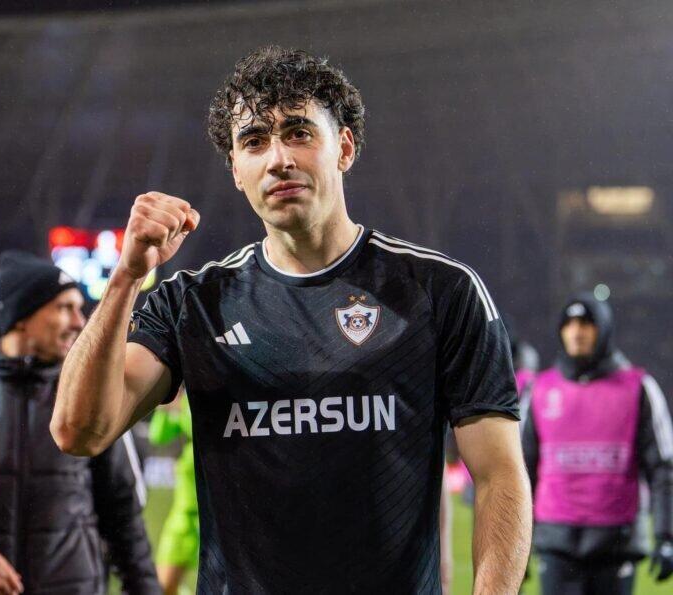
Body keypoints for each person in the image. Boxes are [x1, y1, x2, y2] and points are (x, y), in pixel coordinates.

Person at [51, 46, 532, 593]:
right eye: (254, 141)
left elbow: (499, 476)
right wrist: (126, 277)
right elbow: (79, 430)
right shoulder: (193, 303)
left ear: (344, 147)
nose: (278, 158)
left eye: (299, 133)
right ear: (237, 170)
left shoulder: (440, 291)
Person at [0, 251, 160, 595]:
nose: (79, 321)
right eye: (64, 308)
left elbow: (124, 515)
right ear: (21, 316)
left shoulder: (89, 399)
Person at [521, 293, 673, 595]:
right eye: (569, 324)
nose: (576, 332)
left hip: (615, 543)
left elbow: (663, 470)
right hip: (555, 544)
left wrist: (666, 536)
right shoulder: (539, 390)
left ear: (603, 329)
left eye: (586, 324)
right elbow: (521, 472)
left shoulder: (638, 388)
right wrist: (515, 544)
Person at [148, 387, 198, 595]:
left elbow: (204, 429)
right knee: (164, 586)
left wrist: (181, 410)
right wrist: (166, 408)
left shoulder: (196, 401)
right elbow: (158, 436)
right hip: (183, 515)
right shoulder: (184, 401)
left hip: (212, 516)